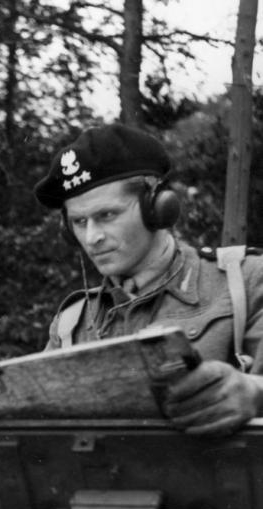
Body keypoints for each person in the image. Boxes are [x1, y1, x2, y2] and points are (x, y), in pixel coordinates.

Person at [34, 122, 263, 437]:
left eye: (107, 215)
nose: (92, 238)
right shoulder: (72, 322)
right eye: (79, 222)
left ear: (157, 208)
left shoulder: (245, 280)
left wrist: (254, 392)